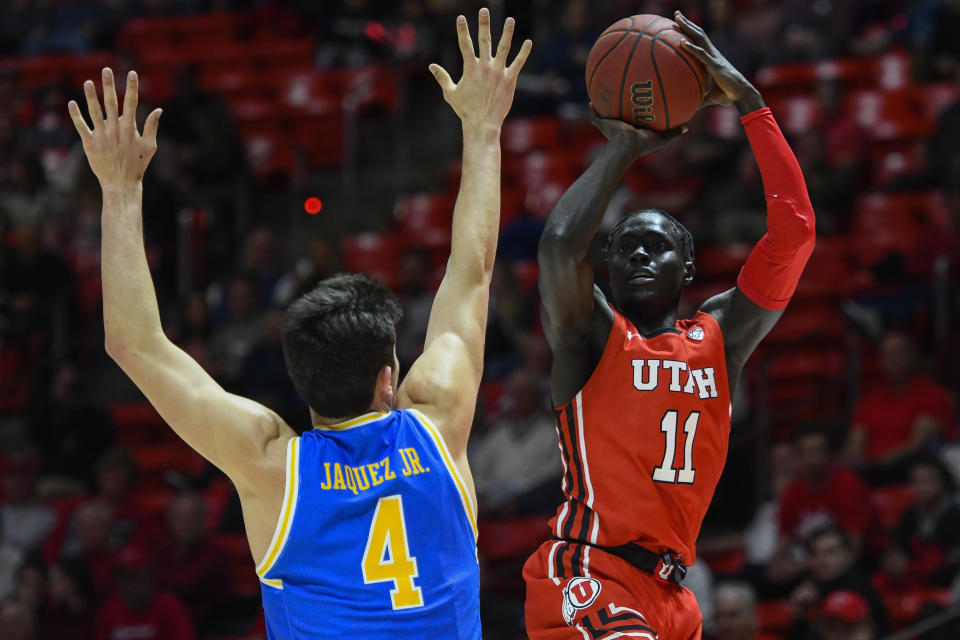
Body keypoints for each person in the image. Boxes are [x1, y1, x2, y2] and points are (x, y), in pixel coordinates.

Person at [66, 8, 531, 638]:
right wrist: (482, 128)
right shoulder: (439, 421)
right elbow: (472, 271)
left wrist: (120, 191)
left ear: (298, 380)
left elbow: (134, 342)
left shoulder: (271, 464)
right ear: (390, 376)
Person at [523, 11, 816, 639]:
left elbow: (794, 234)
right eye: (625, 247)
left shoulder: (719, 337)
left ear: (688, 268)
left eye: (656, 247)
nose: (637, 255)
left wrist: (752, 105)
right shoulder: (591, 335)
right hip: (586, 574)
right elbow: (556, 249)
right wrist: (622, 148)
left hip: (673, 596)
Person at [844, 331, 957, 484]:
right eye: (887, 355)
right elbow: (855, 443)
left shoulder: (932, 394)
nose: (893, 360)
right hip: (870, 470)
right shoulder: (870, 399)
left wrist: (878, 463)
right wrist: (854, 460)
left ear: (913, 356)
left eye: (899, 353)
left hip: (907, 470)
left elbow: (916, 445)